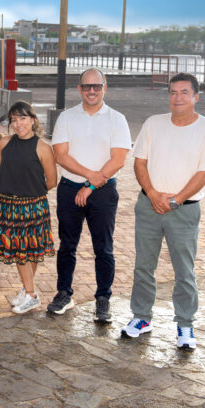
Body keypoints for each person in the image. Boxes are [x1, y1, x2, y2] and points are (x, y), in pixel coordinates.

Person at [121, 73, 205, 350]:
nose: (178, 98)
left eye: (184, 92)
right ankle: (142, 317)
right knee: (143, 265)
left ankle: (185, 324)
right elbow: (139, 162)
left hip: (184, 210)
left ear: (196, 97)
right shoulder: (153, 123)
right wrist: (153, 194)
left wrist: (176, 200)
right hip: (149, 206)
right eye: (173, 92)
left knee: (184, 270)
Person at [48, 68, 132, 323]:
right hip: (69, 189)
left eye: (97, 86)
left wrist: (91, 186)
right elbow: (60, 155)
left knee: (103, 248)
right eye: (87, 86)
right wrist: (89, 177)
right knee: (67, 246)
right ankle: (64, 293)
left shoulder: (117, 119)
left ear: (105, 87)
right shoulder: (66, 117)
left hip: (103, 192)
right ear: (79, 89)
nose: (92, 91)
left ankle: (103, 298)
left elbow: (118, 159)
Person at [0, 101, 58, 314]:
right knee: (25, 251)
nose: (18, 124)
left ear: (33, 119)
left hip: (33, 206)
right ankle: (27, 290)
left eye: (23, 118)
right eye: (14, 120)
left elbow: (52, 181)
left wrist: (30, 191)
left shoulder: (43, 148)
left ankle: (31, 295)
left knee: (27, 251)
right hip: (7, 205)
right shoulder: (4, 143)